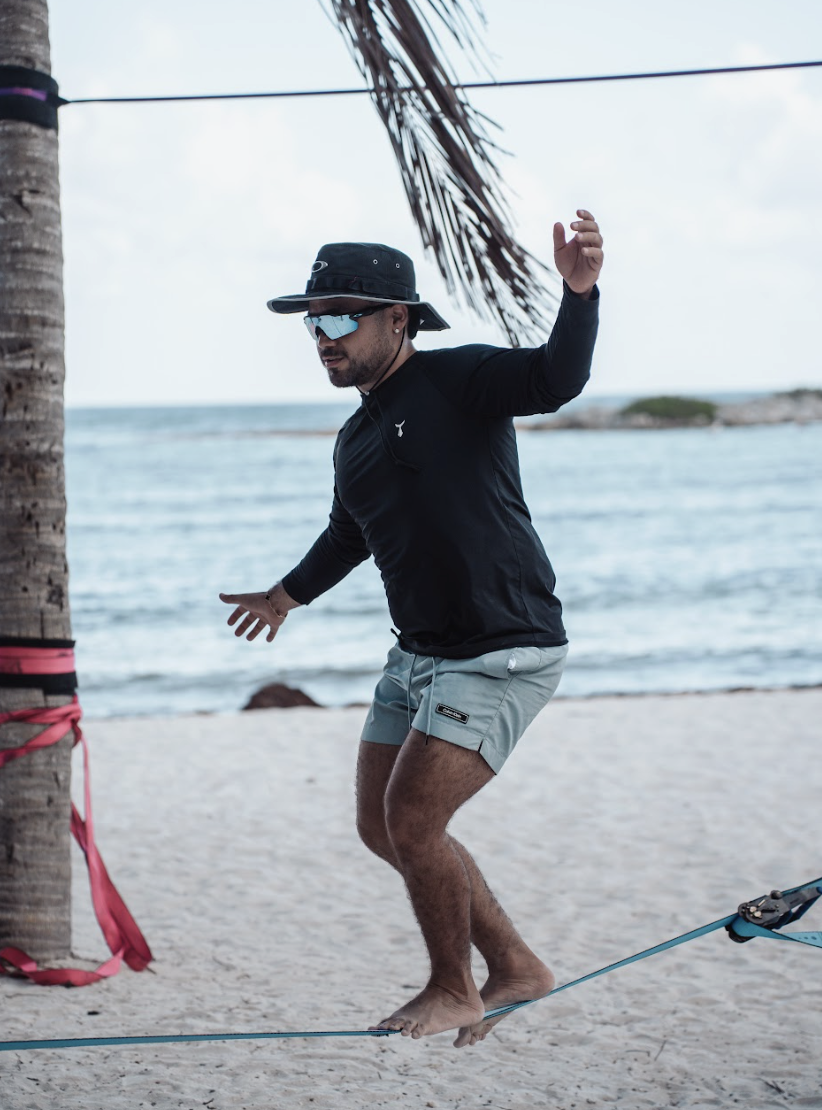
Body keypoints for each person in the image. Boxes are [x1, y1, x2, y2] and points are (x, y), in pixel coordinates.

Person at [220, 212, 603, 1046]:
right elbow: (350, 533)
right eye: (313, 319)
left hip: (502, 649)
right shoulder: (355, 436)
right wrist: (286, 596)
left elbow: (553, 380)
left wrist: (579, 295)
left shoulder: (460, 381)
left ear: (399, 318)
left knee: (416, 824)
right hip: (420, 656)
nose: (322, 335)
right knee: (380, 825)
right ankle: (516, 967)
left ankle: (453, 987)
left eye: (341, 316)